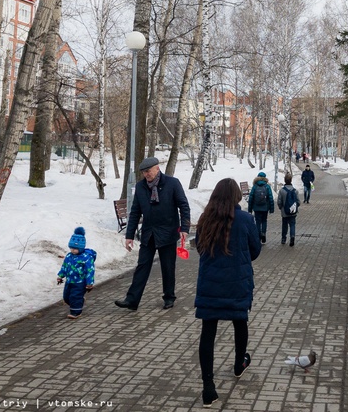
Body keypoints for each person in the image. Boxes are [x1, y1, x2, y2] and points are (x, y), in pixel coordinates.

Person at [195, 178, 261, 407]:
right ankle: (238, 365)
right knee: (240, 322)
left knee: (208, 332)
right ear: (236, 196)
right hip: (237, 284)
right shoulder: (245, 220)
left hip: (210, 285)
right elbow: (255, 250)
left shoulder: (205, 219)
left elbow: (199, 248)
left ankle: (208, 387)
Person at [115, 157, 191, 311]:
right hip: (149, 234)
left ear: (157, 168)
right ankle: (132, 300)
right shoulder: (141, 187)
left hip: (168, 233)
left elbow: (184, 206)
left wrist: (184, 228)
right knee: (142, 266)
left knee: (168, 267)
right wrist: (129, 236)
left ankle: (169, 297)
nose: (146, 175)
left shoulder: (172, 183)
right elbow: (135, 212)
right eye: (143, 172)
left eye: (148, 171)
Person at [57, 227, 97, 319]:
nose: (73, 251)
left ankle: (76, 312)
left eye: (75, 249)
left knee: (75, 296)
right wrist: (60, 275)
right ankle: (79, 301)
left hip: (80, 282)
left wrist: (89, 282)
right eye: (71, 248)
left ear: (81, 247)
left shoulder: (86, 257)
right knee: (67, 297)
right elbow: (65, 266)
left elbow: (90, 271)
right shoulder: (69, 256)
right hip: (69, 281)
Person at [247, 171, 275, 244]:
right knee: (264, 221)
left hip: (256, 208)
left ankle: (258, 236)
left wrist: (250, 209)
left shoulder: (255, 186)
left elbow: (251, 198)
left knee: (258, 222)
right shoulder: (267, 186)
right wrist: (271, 209)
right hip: (265, 208)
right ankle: (263, 234)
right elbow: (271, 198)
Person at [277, 172, 300, 246]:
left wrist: (281, 207)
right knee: (292, 225)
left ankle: (283, 239)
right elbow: (298, 202)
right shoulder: (295, 191)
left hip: (284, 212)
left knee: (284, 225)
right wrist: (295, 207)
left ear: (284, 180)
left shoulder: (282, 191)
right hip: (293, 212)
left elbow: (279, 201)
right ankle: (292, 237)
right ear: (291, 180)